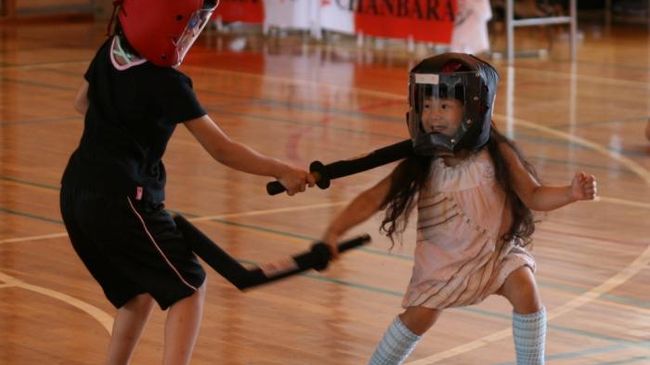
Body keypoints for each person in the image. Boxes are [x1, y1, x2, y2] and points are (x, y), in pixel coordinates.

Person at [59, 1, 314, 364]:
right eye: (189, 23)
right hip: (122, 199)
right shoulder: (167, 82)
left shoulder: (110, 49)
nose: (192, 31)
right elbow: (222, 149)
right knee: (189, 287)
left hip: (75, 190)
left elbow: (81, 103)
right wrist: (282, 170)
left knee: (137, 293)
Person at [322, 53, 597, 365]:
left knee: (525, 290)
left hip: (495, 251)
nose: (433, 115)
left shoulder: (496, 152)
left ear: (471, 110)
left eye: (444, 106)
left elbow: (533, 195)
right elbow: (372, 198)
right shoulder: (423, 162)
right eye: (426, 106)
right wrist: (334, 230)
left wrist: (570, 193)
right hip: (443, 262)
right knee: (419, 318)